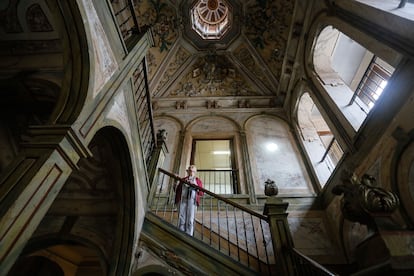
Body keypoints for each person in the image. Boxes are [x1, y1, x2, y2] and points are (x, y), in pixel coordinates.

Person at [174, 165, 203, 236]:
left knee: (190, 220)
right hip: (182, 200)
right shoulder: (183, 179)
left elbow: (201, 193)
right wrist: (175, 181)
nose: (191, 172)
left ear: (195, 172)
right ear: (187, 171)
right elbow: (176, 190)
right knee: (182, 219)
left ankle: (188, 236)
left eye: (193, 171)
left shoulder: (198, 181)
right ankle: (181, 235)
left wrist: (195, 186)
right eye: (190, 171)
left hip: (192, 201)